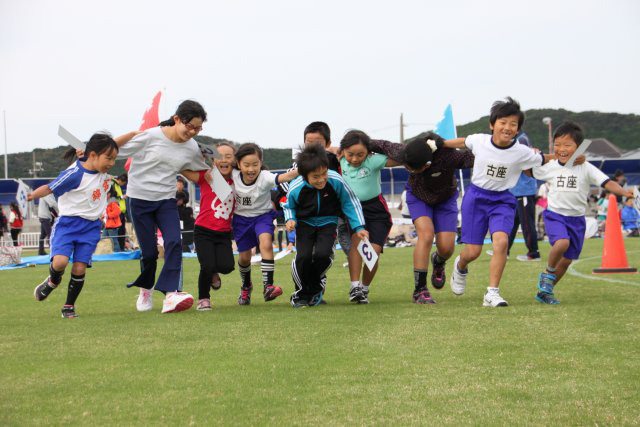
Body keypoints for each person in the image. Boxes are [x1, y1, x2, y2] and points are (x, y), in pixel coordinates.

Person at [442, 97, 553, 307]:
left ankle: (492, 293)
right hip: (475, 198)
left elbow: (543, 159)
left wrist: (568, 156)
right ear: (492, 124)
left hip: (502, 200)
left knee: (501, 242)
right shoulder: (480, 141)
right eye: (503, 122)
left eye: (513, 124)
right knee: (473, 252)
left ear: (518, 129)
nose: (508, 127)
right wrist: (440, 144)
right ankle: (461, 265)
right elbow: (462, 141)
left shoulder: (521, 151)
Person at [118, 100, 211, 314]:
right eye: (190, 126)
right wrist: (89, 152)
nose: (193, 132)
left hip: (166, 201)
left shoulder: (192, 147)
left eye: (198, 128)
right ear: (177, 119)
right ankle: (145, 289)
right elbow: (116, 151)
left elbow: (201, 172)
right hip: (139, 200)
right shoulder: (150, 136)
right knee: (149, 253)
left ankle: (171, 294)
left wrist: (220, 175)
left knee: (174, 242)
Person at [532, 121, 633, 304]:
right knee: (562, 243)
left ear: (578, 148)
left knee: (567, 261)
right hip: (555, 215)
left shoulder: (586, 167)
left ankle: (545, 292)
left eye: (567, 145)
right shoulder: (552, 165)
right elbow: (530, 172)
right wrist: (532, 157)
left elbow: (606, 182)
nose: (561, 149)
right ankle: (547, 273)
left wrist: (624, 192)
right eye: (557, 144)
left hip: (577, 219)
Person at [367, 132, 474, 304]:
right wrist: (346, 148)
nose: (410, 171)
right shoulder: (405, 152)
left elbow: (477, 154)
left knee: (446, 248)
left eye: (413, 169)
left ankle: (438, 261)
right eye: (407, 167)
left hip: (445, 200)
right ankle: (420, 289)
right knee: (426, 235)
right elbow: (378, 143)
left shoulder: (449, 156)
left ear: (427, 164)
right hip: (418, 197)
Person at [29, 133, 120, 318]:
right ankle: (53, 281)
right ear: (93, 155)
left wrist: (135, 134)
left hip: (92, 228)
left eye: (114, 159)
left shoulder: (102, 172)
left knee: (79, 268)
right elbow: (50, 187)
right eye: (108, 158)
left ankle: (69, 306)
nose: (111, 163)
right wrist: (29, 197)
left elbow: (117, 143)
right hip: (68, 225)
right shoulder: (75, 174)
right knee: (61, 262)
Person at [284, 143, 368, 307]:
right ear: (304, 175)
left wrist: (359, 227)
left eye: (324, 174)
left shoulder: (335, 180)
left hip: (328, 221)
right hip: (305, 224)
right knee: (304, 257)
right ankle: (300, 295)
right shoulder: (296, 186)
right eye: (315, 177)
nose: (321, 179)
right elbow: (288, 205)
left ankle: (313, 287)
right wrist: (290, 219)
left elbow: (350, 202)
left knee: (323, 256)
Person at [232, 143, 298, 305]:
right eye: (246, 165)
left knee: (266, 243)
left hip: (263, 216)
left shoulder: (265, 177)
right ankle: (246, 286)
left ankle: (268, 286)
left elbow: (284, 177)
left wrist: (305, 168)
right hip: (240, 220)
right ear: (239, 164)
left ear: (261, 163)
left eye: (255, 164)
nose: (251, 169)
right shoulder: (232, 176)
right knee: (244, 257)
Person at [339, 130, 397, 304]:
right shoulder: (339, 161)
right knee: (357, 246)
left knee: (373, 252)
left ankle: (364, 288)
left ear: (368, 152)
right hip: (353, 210)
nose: (355, 159)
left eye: (360, 155)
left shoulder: (373, 160)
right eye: (350, 154)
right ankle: (355, 287)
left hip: (376, 210)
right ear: (343, 151)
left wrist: (379, 146)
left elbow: (402, 157)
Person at [277, 122, 351, 258]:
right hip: (306, 216)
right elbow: (284, 185)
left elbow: (344, 185)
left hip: (330, 215)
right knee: (306, 255)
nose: (312, 147)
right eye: (308, 142)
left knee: (326, 253)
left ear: (328, 143)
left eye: (317, 143)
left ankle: (322, 275)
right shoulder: (299, 164)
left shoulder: (336, 162)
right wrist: (302, 193)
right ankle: (305, 272)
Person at [180, 142, 236, 311]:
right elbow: (185, 172)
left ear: (235, 160)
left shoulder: (239, 179)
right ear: (213, 159)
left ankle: (214, 271)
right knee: (206, 265)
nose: (224, 160)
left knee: (227, 267)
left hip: (224, 233)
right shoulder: (207, 175)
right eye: (220, 156)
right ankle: (204, 299)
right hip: (203, 230)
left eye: (229, 156)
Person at [506, 130, 541, 261]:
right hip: (517, 190)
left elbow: (521, 161)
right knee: (513, 222)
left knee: (527, 223)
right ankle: (504, 250)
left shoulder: (521, 140)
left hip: (524, 190)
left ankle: (533, 253)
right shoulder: (520, 139)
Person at [112, 174, 128, 250]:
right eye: (124, 183)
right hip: (115, 212)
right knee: (116, 232)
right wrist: (122, 197)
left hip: (121, 211)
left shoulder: (118, 186)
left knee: (122, 231)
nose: (124, 185)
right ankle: (117, 249)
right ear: (121, 180)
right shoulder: (112, 184)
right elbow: (111, 198)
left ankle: (121, 248)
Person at [104, 186, 122, 252]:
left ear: (109, 194)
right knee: (105, 239)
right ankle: (109, 252)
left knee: (113, 241)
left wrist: (108, 215)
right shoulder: (109, 202)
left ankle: (116, 252)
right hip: (108, 224)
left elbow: (117, 211)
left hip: (112, 225)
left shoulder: (113, 202)